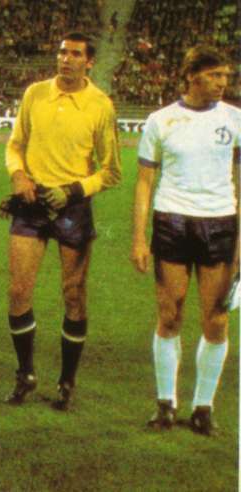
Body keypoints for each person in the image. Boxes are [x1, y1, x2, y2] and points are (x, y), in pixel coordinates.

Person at [4, 33, 121, 409]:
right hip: (32, 201)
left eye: (75, 54)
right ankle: (25, 374)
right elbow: (15, 144)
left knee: (73, 295)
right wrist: (18, 175)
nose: (65, 59)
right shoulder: (35, 94)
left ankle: (67, 381)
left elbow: (111, 171)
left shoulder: (100, 105)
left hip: (73, 206)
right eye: (61, 52)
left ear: (89, 62)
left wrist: (73, 190)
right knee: (18, 292)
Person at [131, 46, 239, 435]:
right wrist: (139, 237)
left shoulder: (235, 119)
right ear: (192, 76)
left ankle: (203, 407)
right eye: (215, 75)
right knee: (169, 315)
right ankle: (166, 404)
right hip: (172, 221)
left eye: (226, 76)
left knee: (217, 319)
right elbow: (145, 182)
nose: (223, 83)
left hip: (220, 223)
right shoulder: (161, 120)